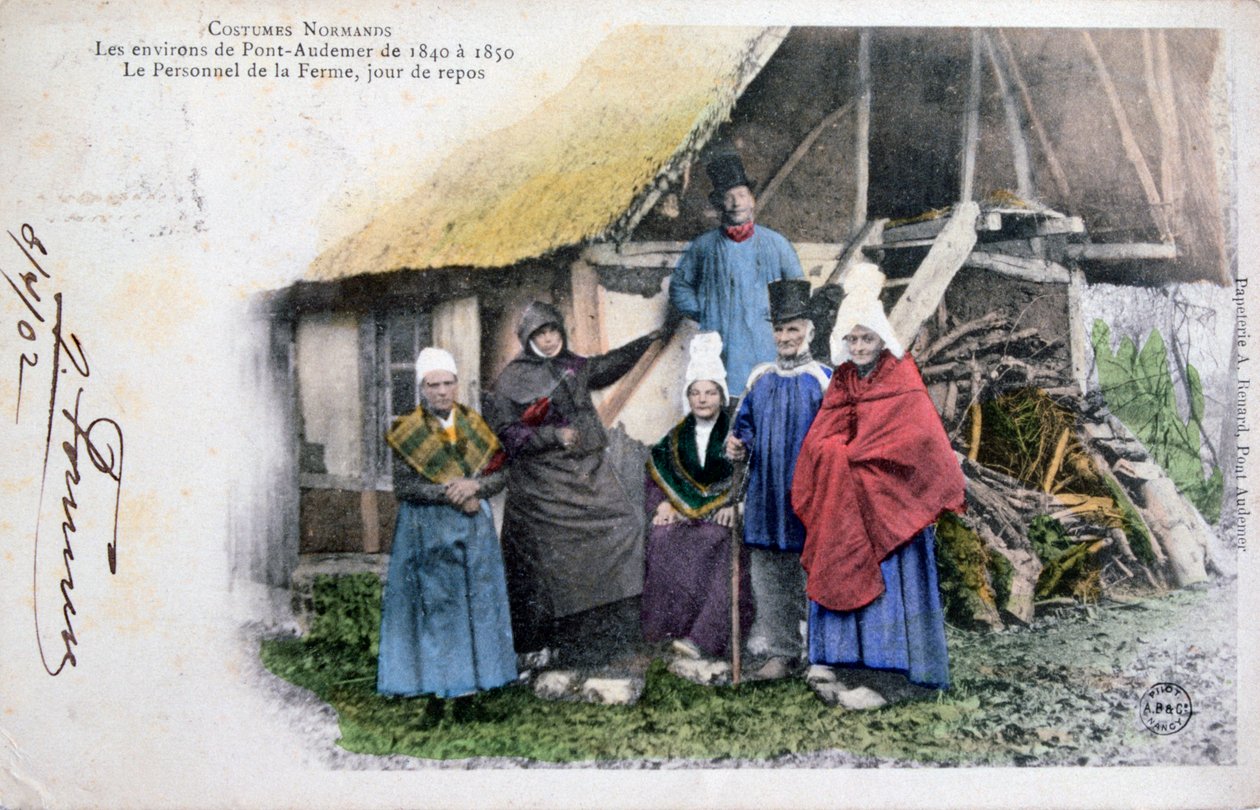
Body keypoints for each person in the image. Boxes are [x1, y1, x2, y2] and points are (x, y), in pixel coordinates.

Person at [790, 263, 966, 695]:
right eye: (851, 339)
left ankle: (890, 671)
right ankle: (836, 658)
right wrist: (839, 456)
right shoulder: (843, 378)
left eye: (867, 338)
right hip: (845, 497)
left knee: (891, 575)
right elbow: (821, 438)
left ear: (881, 338)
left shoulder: (900, 375)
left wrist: (854, 455)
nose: (859, 346)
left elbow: (916, 436)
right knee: (838, 553)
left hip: (893, 502)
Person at [486, 300, 663, 667]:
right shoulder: (510, 380)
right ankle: (554, 644)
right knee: (555, 560)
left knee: (625, 529)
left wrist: (649, 339)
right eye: (540, 333)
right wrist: (552, 436)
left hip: (587, 474)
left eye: (553, 331)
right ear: (527, 338)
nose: (549, 340)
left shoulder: (573, 367)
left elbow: (609, 364)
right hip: (542, 485)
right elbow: (508, 434)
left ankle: (605, 636)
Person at [376, 347, 517, 713]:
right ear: (422, 389)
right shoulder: (407, 432)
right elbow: (404, 488)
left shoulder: (476, 426)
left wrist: (477, 488)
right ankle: (436, 697)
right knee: (436, 609)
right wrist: (452, 492)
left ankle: (472, 695)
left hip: (473, 530)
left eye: (448, 383)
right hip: (427, 529)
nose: (441, 391)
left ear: (457, 385)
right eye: (433, 385)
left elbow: (501, 474)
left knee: (476, 607)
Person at [724, 279, 831, 679]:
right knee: (768, 575)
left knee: (814, 574)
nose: (785, 337)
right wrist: (736, 444)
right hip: (766, 497)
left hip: (809, 498)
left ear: (809, 331)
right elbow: (742, 428)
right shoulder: (760, 377)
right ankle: (782, 653)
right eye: (780, 330)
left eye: (793, 329)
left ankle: (822, 655)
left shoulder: (824, 381)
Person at [640, 332, 754, 660]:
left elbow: (753, 476)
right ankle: (664, 634)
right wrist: (662, 504)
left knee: (720, 542)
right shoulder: (674, 438)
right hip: (682, 519)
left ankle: (704, 639)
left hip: (724, 521)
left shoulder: (738, 434)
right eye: (696, 393)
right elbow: (655, 479)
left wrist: (737, 507)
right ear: (688, 397)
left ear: (721, 395)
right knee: (661, 540)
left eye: (710, 392)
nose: (702, 399)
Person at [669, 152, 805, 396]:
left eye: (742, 195)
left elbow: (796, 289)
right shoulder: (704, 246)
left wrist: (780, 323)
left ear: (752, 200)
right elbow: (679, 286)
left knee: (766, 402)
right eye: (728, 197)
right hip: (722, 347)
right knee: (725, 409)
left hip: (765, 345)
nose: (736, 203)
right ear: (720, 204)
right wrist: (706, 311)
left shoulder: (777, 243)